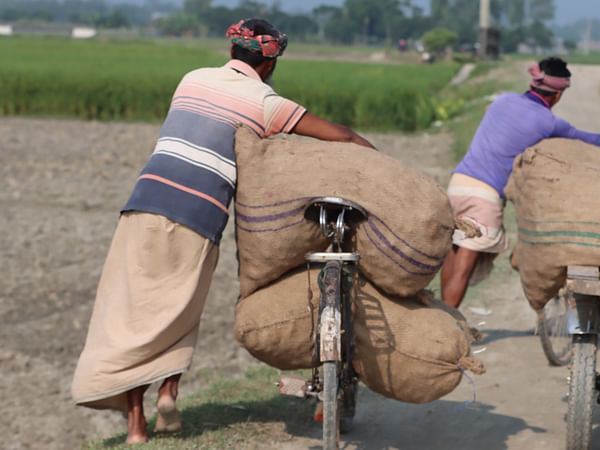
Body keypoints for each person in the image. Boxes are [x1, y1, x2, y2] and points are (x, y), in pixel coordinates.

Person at [71, 18, 374, 445]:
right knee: (178, 311)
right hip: (200, 215)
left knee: (132, 311)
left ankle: (137, 427)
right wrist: (375, 162)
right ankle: (169, 393)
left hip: (143, 203)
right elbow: (339, 137)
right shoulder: (266, 102)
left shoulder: (191, 79)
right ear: (269, 65)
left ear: (232, 51)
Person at [440, 57, 600, 309]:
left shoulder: (502, 100)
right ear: (557, 95)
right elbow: (587, 139)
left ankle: (441, 314)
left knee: (452, 254)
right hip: (484, 197)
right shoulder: (548, 121)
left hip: (457, 184)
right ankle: (446, 327)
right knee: (464, 268)